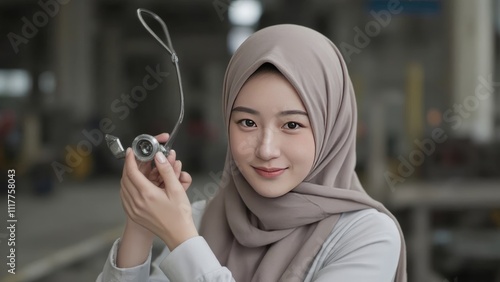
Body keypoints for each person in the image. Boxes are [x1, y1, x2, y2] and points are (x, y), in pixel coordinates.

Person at [97, 24, 407, 282]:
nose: (266, 149)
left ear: (332, 128)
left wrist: (184, 242)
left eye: (292, 125)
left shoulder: (368, 235)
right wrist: (140, 224)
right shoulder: (203, 219)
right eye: (247, 122)